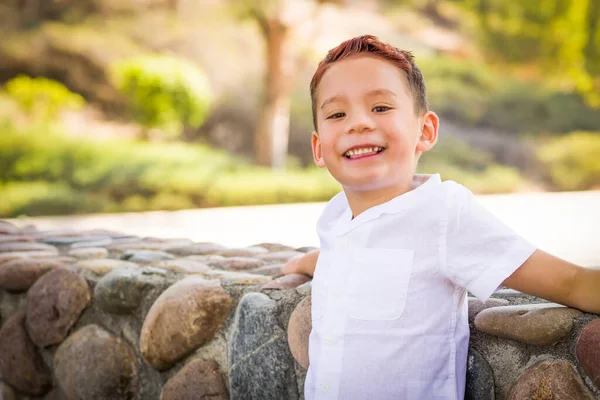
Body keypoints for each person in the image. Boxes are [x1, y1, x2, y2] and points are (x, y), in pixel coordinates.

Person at [280, 34, 600, 400]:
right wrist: (302, 262)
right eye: (337, 114)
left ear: (425, 130)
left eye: (381, 108)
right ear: (319, 148)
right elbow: (348, 259)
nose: (358, 123)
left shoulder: (442, 214)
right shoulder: (336, 219)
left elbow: (570, 281)